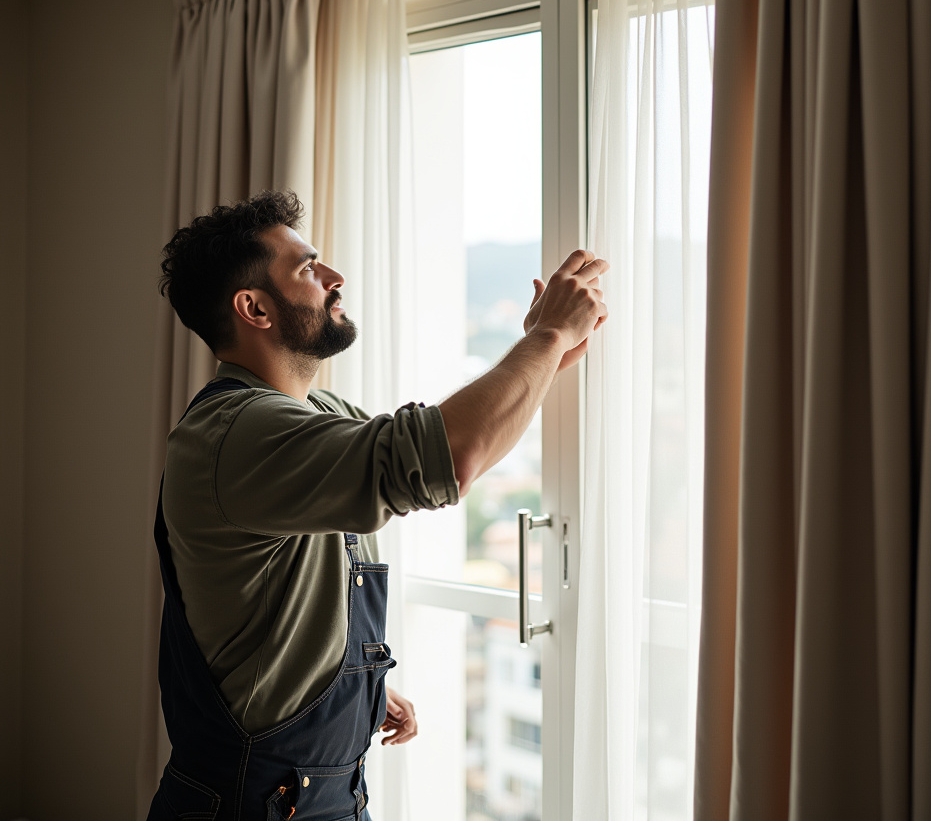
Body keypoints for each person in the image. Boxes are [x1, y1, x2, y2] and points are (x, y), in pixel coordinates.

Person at [148, 189, 607, 821]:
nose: (335, 278)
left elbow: (428, 448)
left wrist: (353, 689)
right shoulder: (238, 435)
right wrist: (551, 335)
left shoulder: (316, 416)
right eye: (309, 269)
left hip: (318, 793)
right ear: (253, 308)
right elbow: (449, 456)